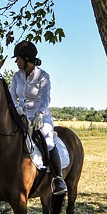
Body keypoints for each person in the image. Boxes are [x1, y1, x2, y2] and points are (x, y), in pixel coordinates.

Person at [10, 41, 67, 195]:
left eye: (18, 58)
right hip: (21, 115)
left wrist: (40, 114)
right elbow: (11, 95)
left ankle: (58, 179)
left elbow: (45, 99)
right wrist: (17, 109)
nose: (16, 61)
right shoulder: (17, 76)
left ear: (26, 59)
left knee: (48, 142)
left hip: (40, 116)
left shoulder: (43, 76)